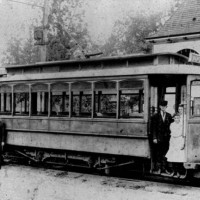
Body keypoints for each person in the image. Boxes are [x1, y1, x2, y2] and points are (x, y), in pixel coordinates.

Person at [151, 100, 173, 174]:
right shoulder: (155, 116)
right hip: (158, 138)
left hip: (166, 138)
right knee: (158, 153)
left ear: (166, 107)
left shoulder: (169, 116)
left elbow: (171, 127)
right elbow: (153, 128)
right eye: (162, 106)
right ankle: (159, 169)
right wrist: (154, 138)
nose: (163, 108)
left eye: (165, 106)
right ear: (160, 107)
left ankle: (164, 168)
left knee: (165, 153)